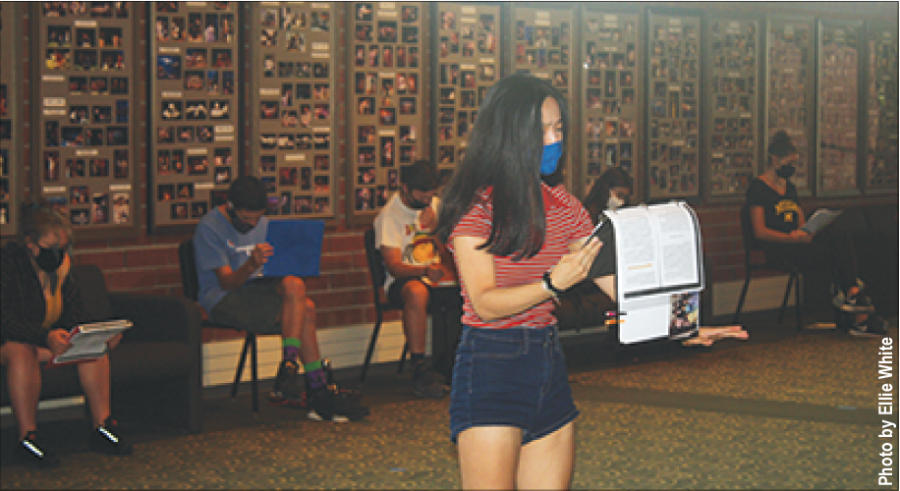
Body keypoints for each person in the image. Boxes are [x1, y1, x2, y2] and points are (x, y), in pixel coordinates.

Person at [435, 73, 613, 490]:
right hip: (492, 363)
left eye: (559, 129)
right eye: (541, 130)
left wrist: (685, 324)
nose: (553, 140)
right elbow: (483, 302)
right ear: (510, 135)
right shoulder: (476, 208)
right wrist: (551, 284)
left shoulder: (565, 206)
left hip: (547, 362)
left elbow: (615, 283)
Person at [193, 176, 369, 422]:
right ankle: (316, 388)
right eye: (246, 219)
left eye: (257, 218)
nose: (253, 224)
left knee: (295, 284)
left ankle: (289, 367)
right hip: (224, 296)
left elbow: (275, 270)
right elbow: (226, 282)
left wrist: (292, 261)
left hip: (258, 286)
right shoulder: (210, 227)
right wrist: (251, 264)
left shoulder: (264, 224)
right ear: (231, 206)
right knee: (306, 309)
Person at [1, 204, 133, 468]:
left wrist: (98, 333)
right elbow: (6, 321)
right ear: (30, 244)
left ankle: (102, 427)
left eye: (62, 248)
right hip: (10, 340)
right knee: (21, 351)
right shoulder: (8, 265)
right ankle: (28, 438)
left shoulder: (61, 269)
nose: (57, 255)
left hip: (42, 339)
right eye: (50, 249)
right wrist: (45, 336)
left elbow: (75, 311)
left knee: (94, 351)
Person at [746, 130, 888, 337]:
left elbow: (799, 217)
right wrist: (790, 238)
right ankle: (858, 312)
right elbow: (759, 231)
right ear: (775, 161)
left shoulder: (790, 188)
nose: (791, 168)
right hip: (778, 247)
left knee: (839, 237)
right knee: (836, 258)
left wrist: (806, 231)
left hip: (796, 239)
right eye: (788, 163)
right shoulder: (758, 189)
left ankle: (852, 296)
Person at [373, 160, 457, 398]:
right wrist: (423, 272)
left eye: (432, 193)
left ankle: (457, 360)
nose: (428, 198)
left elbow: (454, 251)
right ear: (405, 188)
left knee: (470, 287)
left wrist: (437, 230)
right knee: (416, 292)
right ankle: (419, 367)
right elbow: (394, 267)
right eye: (423, 193)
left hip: (438, 277)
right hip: (405, 279)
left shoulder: (435, 206)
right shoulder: (389, 216)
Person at [555, 167, 634, 332]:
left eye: (625, 197)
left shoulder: (624, 214)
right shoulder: (585, 216)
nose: (622, 201)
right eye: (619, 195)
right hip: (587, 282)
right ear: (607, 191)